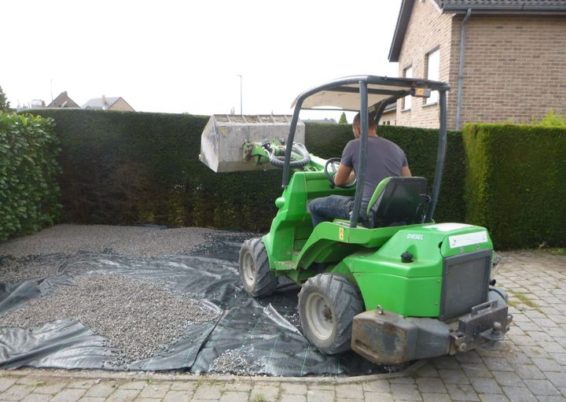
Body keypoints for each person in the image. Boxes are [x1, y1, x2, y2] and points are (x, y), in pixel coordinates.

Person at [308, 111, 411, 226]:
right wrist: (356, 174)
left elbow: (338, 181)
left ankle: (324, 243)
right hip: (393, 211)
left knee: (314, 205)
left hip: (365, 211)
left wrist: (350, 175)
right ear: (374, 127)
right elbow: (408, 180)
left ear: (357, 129)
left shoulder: (354, 145)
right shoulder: (397, 149)